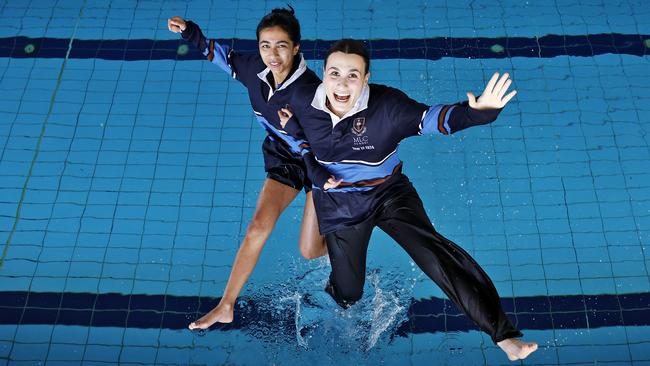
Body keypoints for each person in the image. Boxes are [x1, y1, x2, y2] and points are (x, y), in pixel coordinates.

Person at [278, 39, 538, 361]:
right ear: (324, 74)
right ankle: (337, 274)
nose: (342, 84)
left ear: (366, 78)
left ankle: (502, 334)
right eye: (334, 73)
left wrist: (477, 113)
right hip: (341, 202)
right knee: (349, 294)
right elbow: (287, 124)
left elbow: (437, 119)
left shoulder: (387, 107)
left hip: (389, 193)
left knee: (432, 252)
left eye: (353, 75)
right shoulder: (303, 100)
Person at [167, 7, 327, 330]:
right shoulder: (255, 69)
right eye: (265, 45)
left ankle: (351, 235)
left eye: (281, 45)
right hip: (284, 158)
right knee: (257, 227)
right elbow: (220, 56)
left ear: (296, 48)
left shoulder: (312, 92)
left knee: (310, 251)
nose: (273, 54)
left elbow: (336, 138)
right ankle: (226, 305)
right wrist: (189, 31)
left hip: (318, 163)